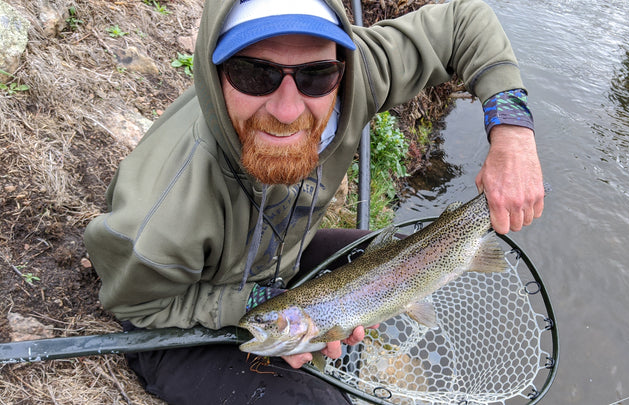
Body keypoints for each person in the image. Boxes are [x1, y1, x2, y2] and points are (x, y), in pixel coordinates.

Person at [84, 0, 544, 403]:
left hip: (280, 267)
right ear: (215, 71)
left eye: (316, 75)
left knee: (387, 248)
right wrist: (257, 302)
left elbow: (466, 20)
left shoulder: (356, 78)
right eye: (253, 74)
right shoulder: (158, 219)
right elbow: (136, 308)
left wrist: (513, 133)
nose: (287, 109)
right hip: (176, 322)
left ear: (341, 69)